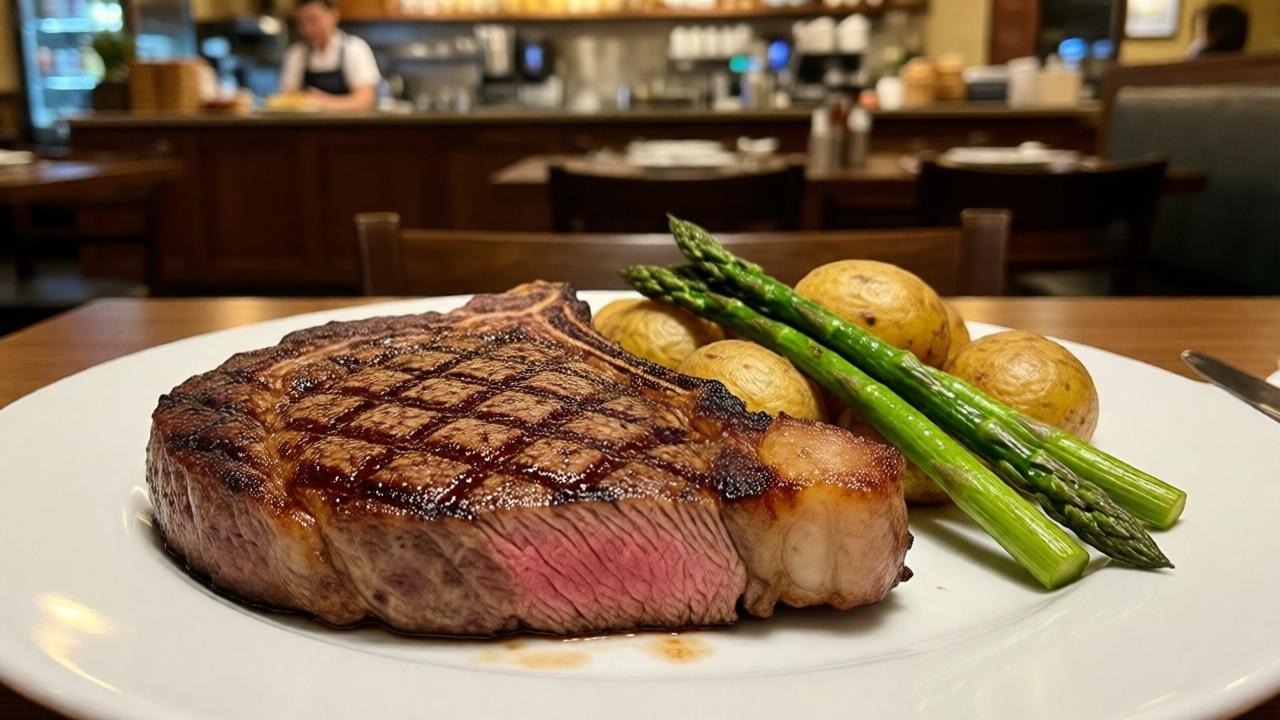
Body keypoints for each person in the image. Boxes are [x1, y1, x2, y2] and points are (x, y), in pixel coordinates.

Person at [279, 0, 381, 110]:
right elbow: (288, 97)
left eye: (313, 20)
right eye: (302, 23)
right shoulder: (297, 53)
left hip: (349, 125)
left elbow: (366, 99)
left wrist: (324, 102)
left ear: (334, 15)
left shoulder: (354, 48)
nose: (308, 29)